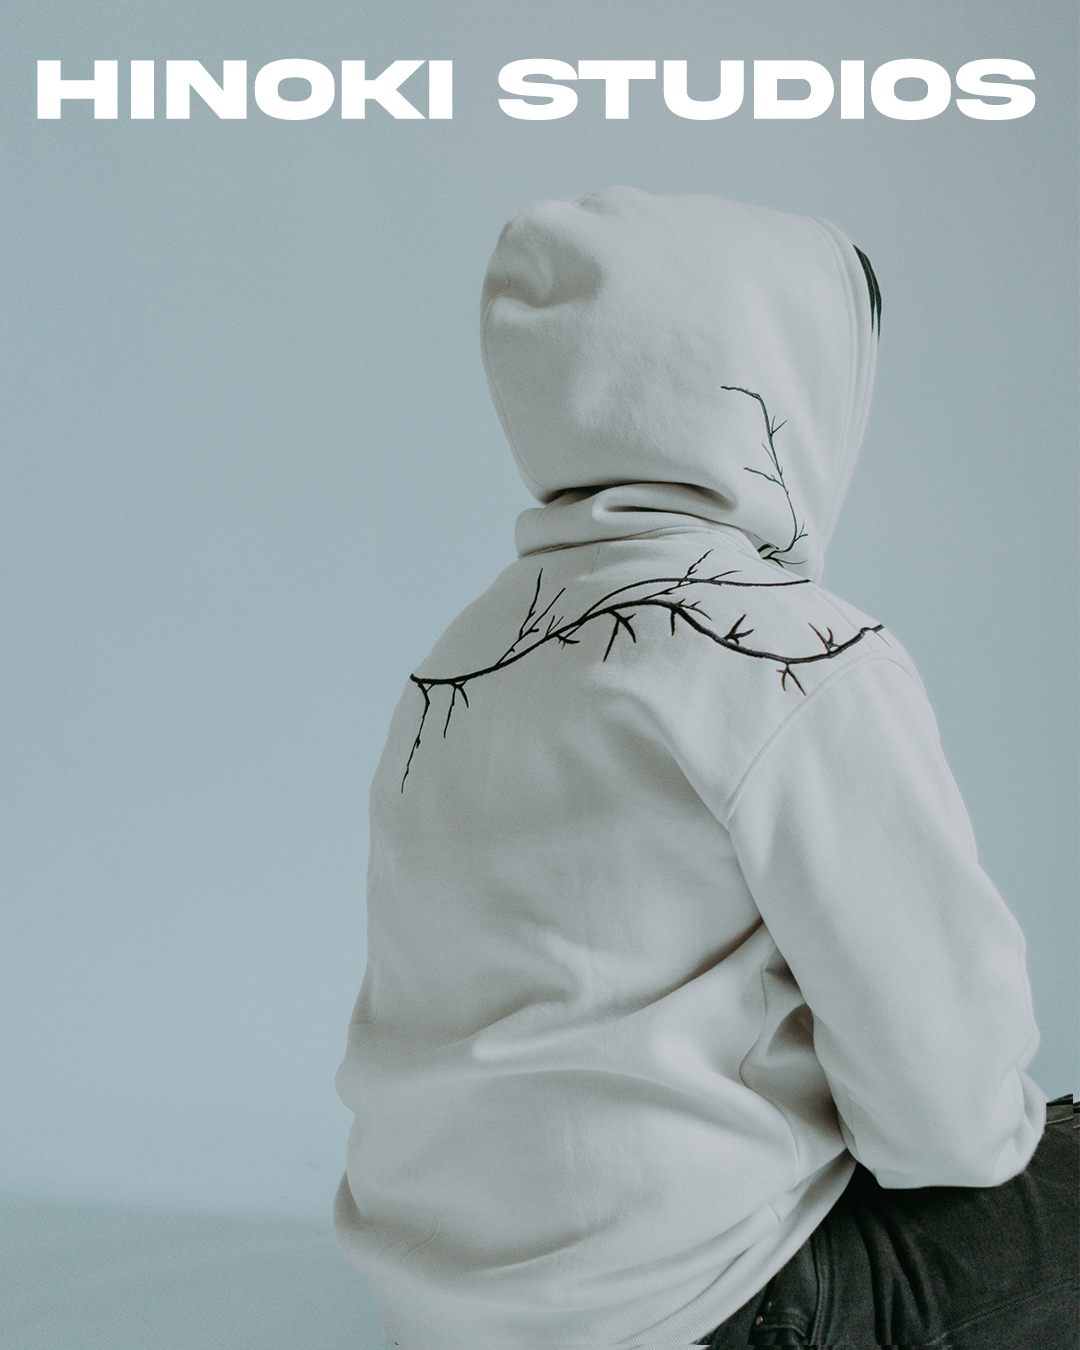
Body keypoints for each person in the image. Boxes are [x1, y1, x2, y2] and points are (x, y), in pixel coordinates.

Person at [334, 187, 1076, 1348]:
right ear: (784, 388)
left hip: (450, 1313)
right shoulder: (798, 651)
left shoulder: (460, 661)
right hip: (715, 1308)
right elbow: (949, 1117)